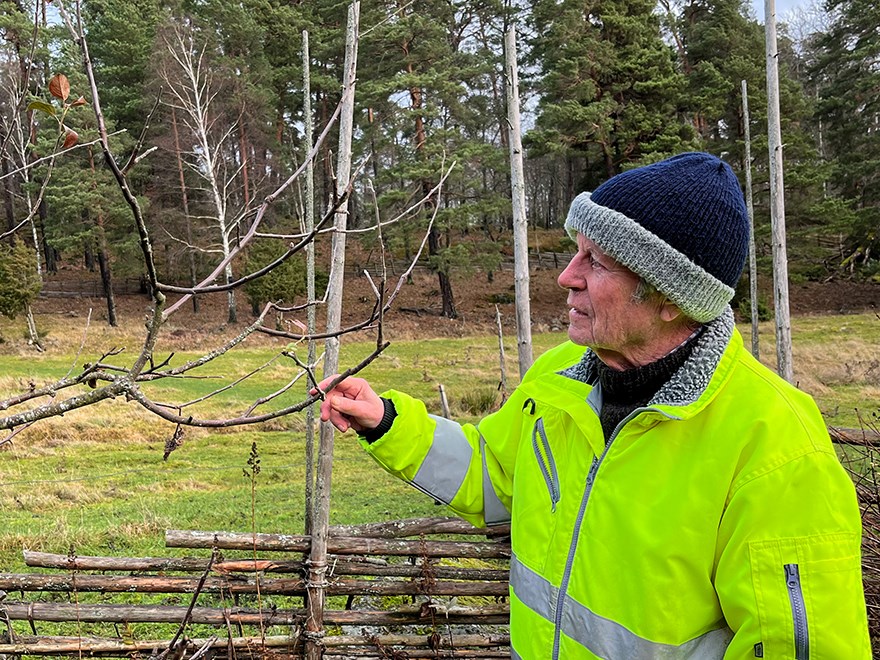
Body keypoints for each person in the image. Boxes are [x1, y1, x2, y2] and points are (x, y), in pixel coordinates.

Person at [316, 152, 870, 659]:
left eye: (597, 261)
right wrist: (387, 423)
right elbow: (495, 475)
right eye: (576, 251)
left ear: (670, 298)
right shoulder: (558, 377)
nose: (567, 277)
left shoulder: (776, 447)